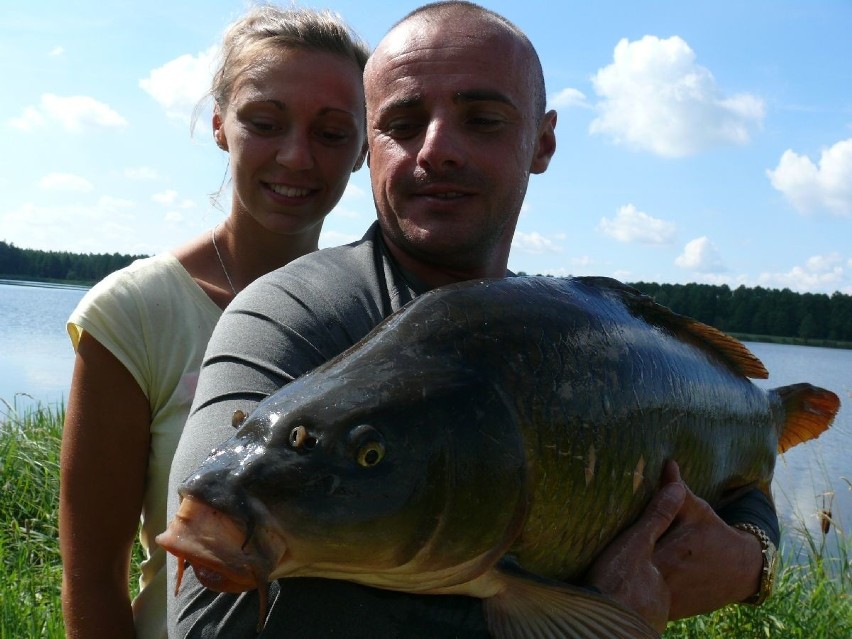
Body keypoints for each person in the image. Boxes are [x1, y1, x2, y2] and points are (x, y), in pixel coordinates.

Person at [166, 2, 779, 637]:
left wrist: (752, 559)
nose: (437, 150)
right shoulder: (288, 317)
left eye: (482, 120)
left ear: (542, 142)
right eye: (401, 124)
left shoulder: (584, 335)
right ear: (368, 144)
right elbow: (211, 624)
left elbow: (748, 470)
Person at [58, 6, 369, 638]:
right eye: (265, 122)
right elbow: (92, 576)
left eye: (333, 132)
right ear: (221, 124)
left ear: (367, 148)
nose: (296, 156)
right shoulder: (135, 313)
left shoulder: (379, 314)